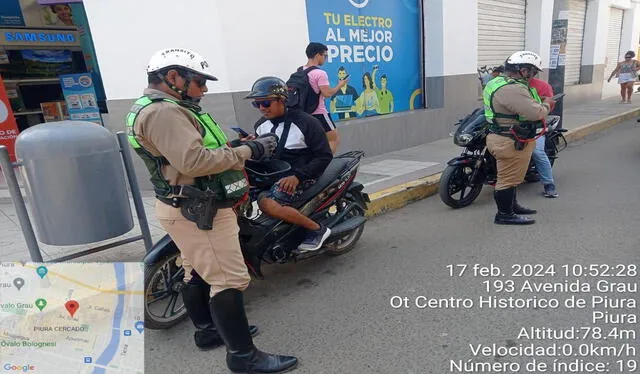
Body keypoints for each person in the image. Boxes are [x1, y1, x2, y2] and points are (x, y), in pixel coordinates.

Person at [126, 48, 297, 373]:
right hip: (199, 208)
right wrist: (250, 150)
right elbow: (194, 161)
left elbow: (186, 153)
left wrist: (231, 148)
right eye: (199, 81)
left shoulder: (152, 108)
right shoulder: (165, 113)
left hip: (182, 204)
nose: (204, 89)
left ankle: (207, 331)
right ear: (173, 77)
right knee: (229, 279)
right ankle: (243, 357)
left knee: (196, 270)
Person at [245, 76, 333, 252]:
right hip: (273, 174)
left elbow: (324, 156)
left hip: (301, 175)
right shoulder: (260, 125)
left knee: (266, 204)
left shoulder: (307, 122)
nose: (262, 108)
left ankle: (317, 229)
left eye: (266, 103)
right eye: (257, 104)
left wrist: (298, 177)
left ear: (282, 100)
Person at [483, 51, 555, 225]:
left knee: (513, 176)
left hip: (503, 136)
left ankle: (512, 206)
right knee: (507, 179)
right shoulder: (512, 89)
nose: (534, 75)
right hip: (509, 140)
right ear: (523, 70)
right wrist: (547, 104)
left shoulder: (497, 82)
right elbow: (534, 113)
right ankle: (504, 214)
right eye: (533, 71)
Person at [302, 42, 346, 154]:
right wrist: (339, 85)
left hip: (304, 114)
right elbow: (327, 93)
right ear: (318, 55)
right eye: (325, 56)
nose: (325, 59)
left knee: (311, 143)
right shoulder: (320, 73)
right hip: (319, 113)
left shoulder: (299, 71)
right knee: (334, 139)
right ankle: (324, 164)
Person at [529, 74, 559, 198]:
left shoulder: (542, 86)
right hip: (510, 125)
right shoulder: (508, 85)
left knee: (537, 152)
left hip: (535, 125)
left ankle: (549, 184)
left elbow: (550, 106)